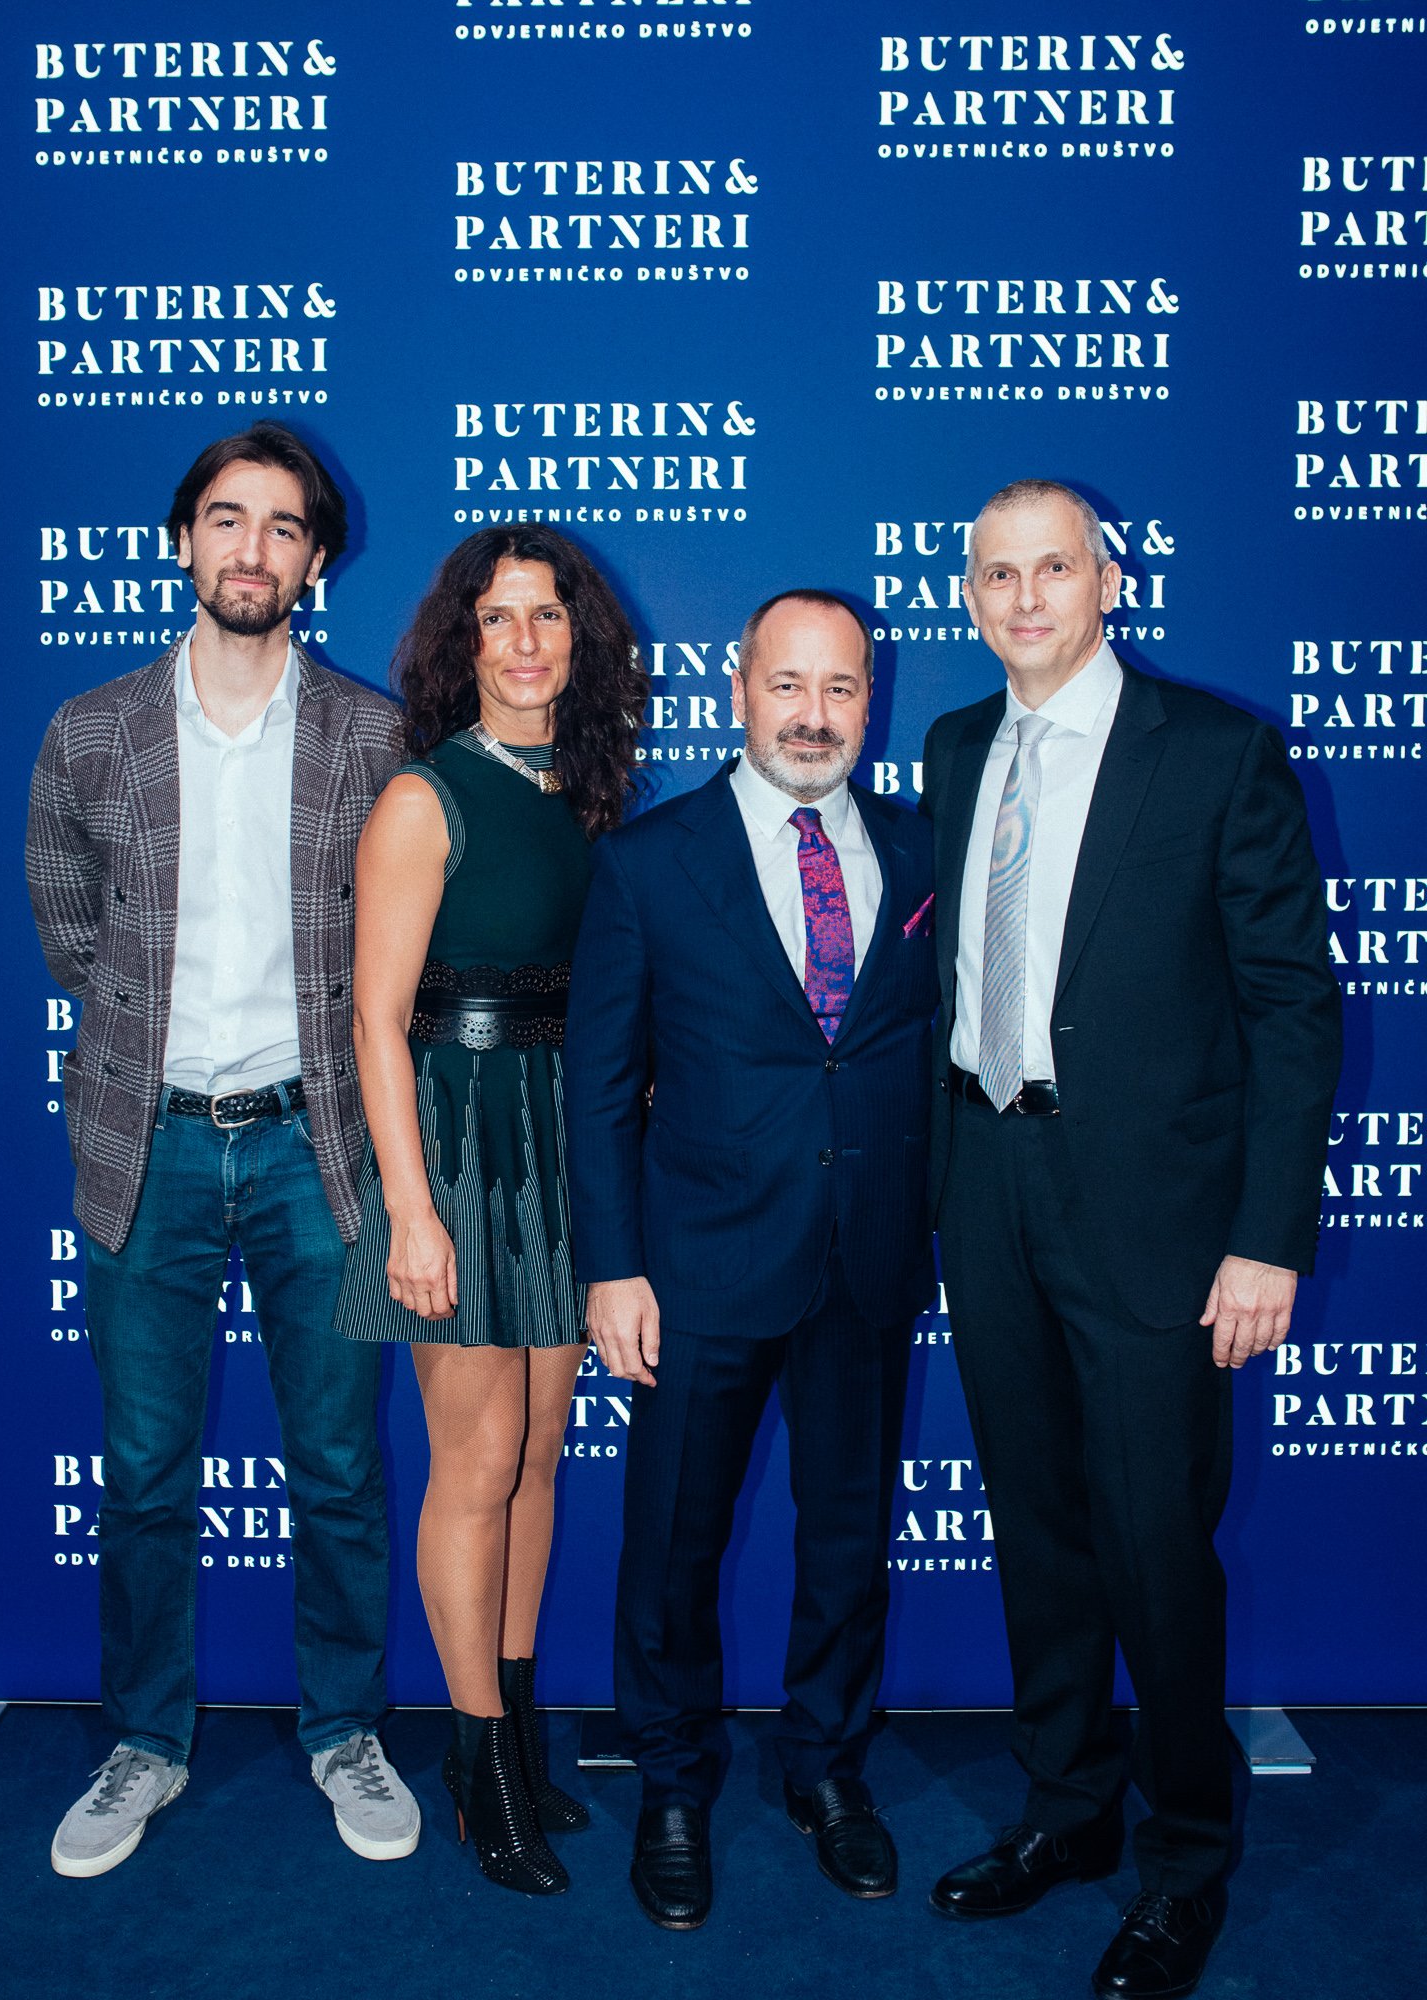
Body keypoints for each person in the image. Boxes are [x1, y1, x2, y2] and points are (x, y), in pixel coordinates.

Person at [921, 480, 1342, 1999]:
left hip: (1161, 1225)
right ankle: (1068, 1815)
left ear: (1107, 580)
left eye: (1054, 569)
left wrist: (1266, 1239)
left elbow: (1294, 1009)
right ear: (970, 595)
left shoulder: (1215, 753)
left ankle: (1183, 1860)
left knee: (1157, 1554)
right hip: (988, 1186)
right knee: (1037, 1533)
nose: (1025, 598)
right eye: (997, 575)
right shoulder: (958, 747)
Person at [27, 423, 419, 1878]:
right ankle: (145, 1740)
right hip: (154, 1149)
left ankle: (344, 1730)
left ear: (316, 561)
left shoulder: (374, 737)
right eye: (226, 520)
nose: (252, 550)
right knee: (142, 1471)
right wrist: (148, 1037)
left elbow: (401, 948)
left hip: (321, 1158)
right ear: (186, 539)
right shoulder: (92, 730)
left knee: (335, 1464)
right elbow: (68, 913)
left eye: (283, 528)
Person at [564, 590, 938, 1931]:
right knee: (672, 1541)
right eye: (789, 684)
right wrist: (612, 1268)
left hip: (870, 1258)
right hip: (700, 1262)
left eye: (840, 688)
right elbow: (600, 1090)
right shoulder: (651, 863)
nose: (814, 714)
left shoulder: (920, 848)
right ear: (739, 689)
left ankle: (826, 1768)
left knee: (848, 1538)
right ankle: (672, 1782)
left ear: (869, 699)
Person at [334, 525, 646, 1895]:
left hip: (560, 1140)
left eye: (548, 617)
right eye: (497, 617)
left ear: (582, 645)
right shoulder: (422, 797)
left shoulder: (586, 800)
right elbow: (373, 1018)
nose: (524, 640)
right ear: (461, 643)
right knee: (474, 1463)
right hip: (457, 1146)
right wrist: (410, 1207)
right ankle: (472, 1760)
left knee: (536, 1462)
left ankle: (516, 1733)